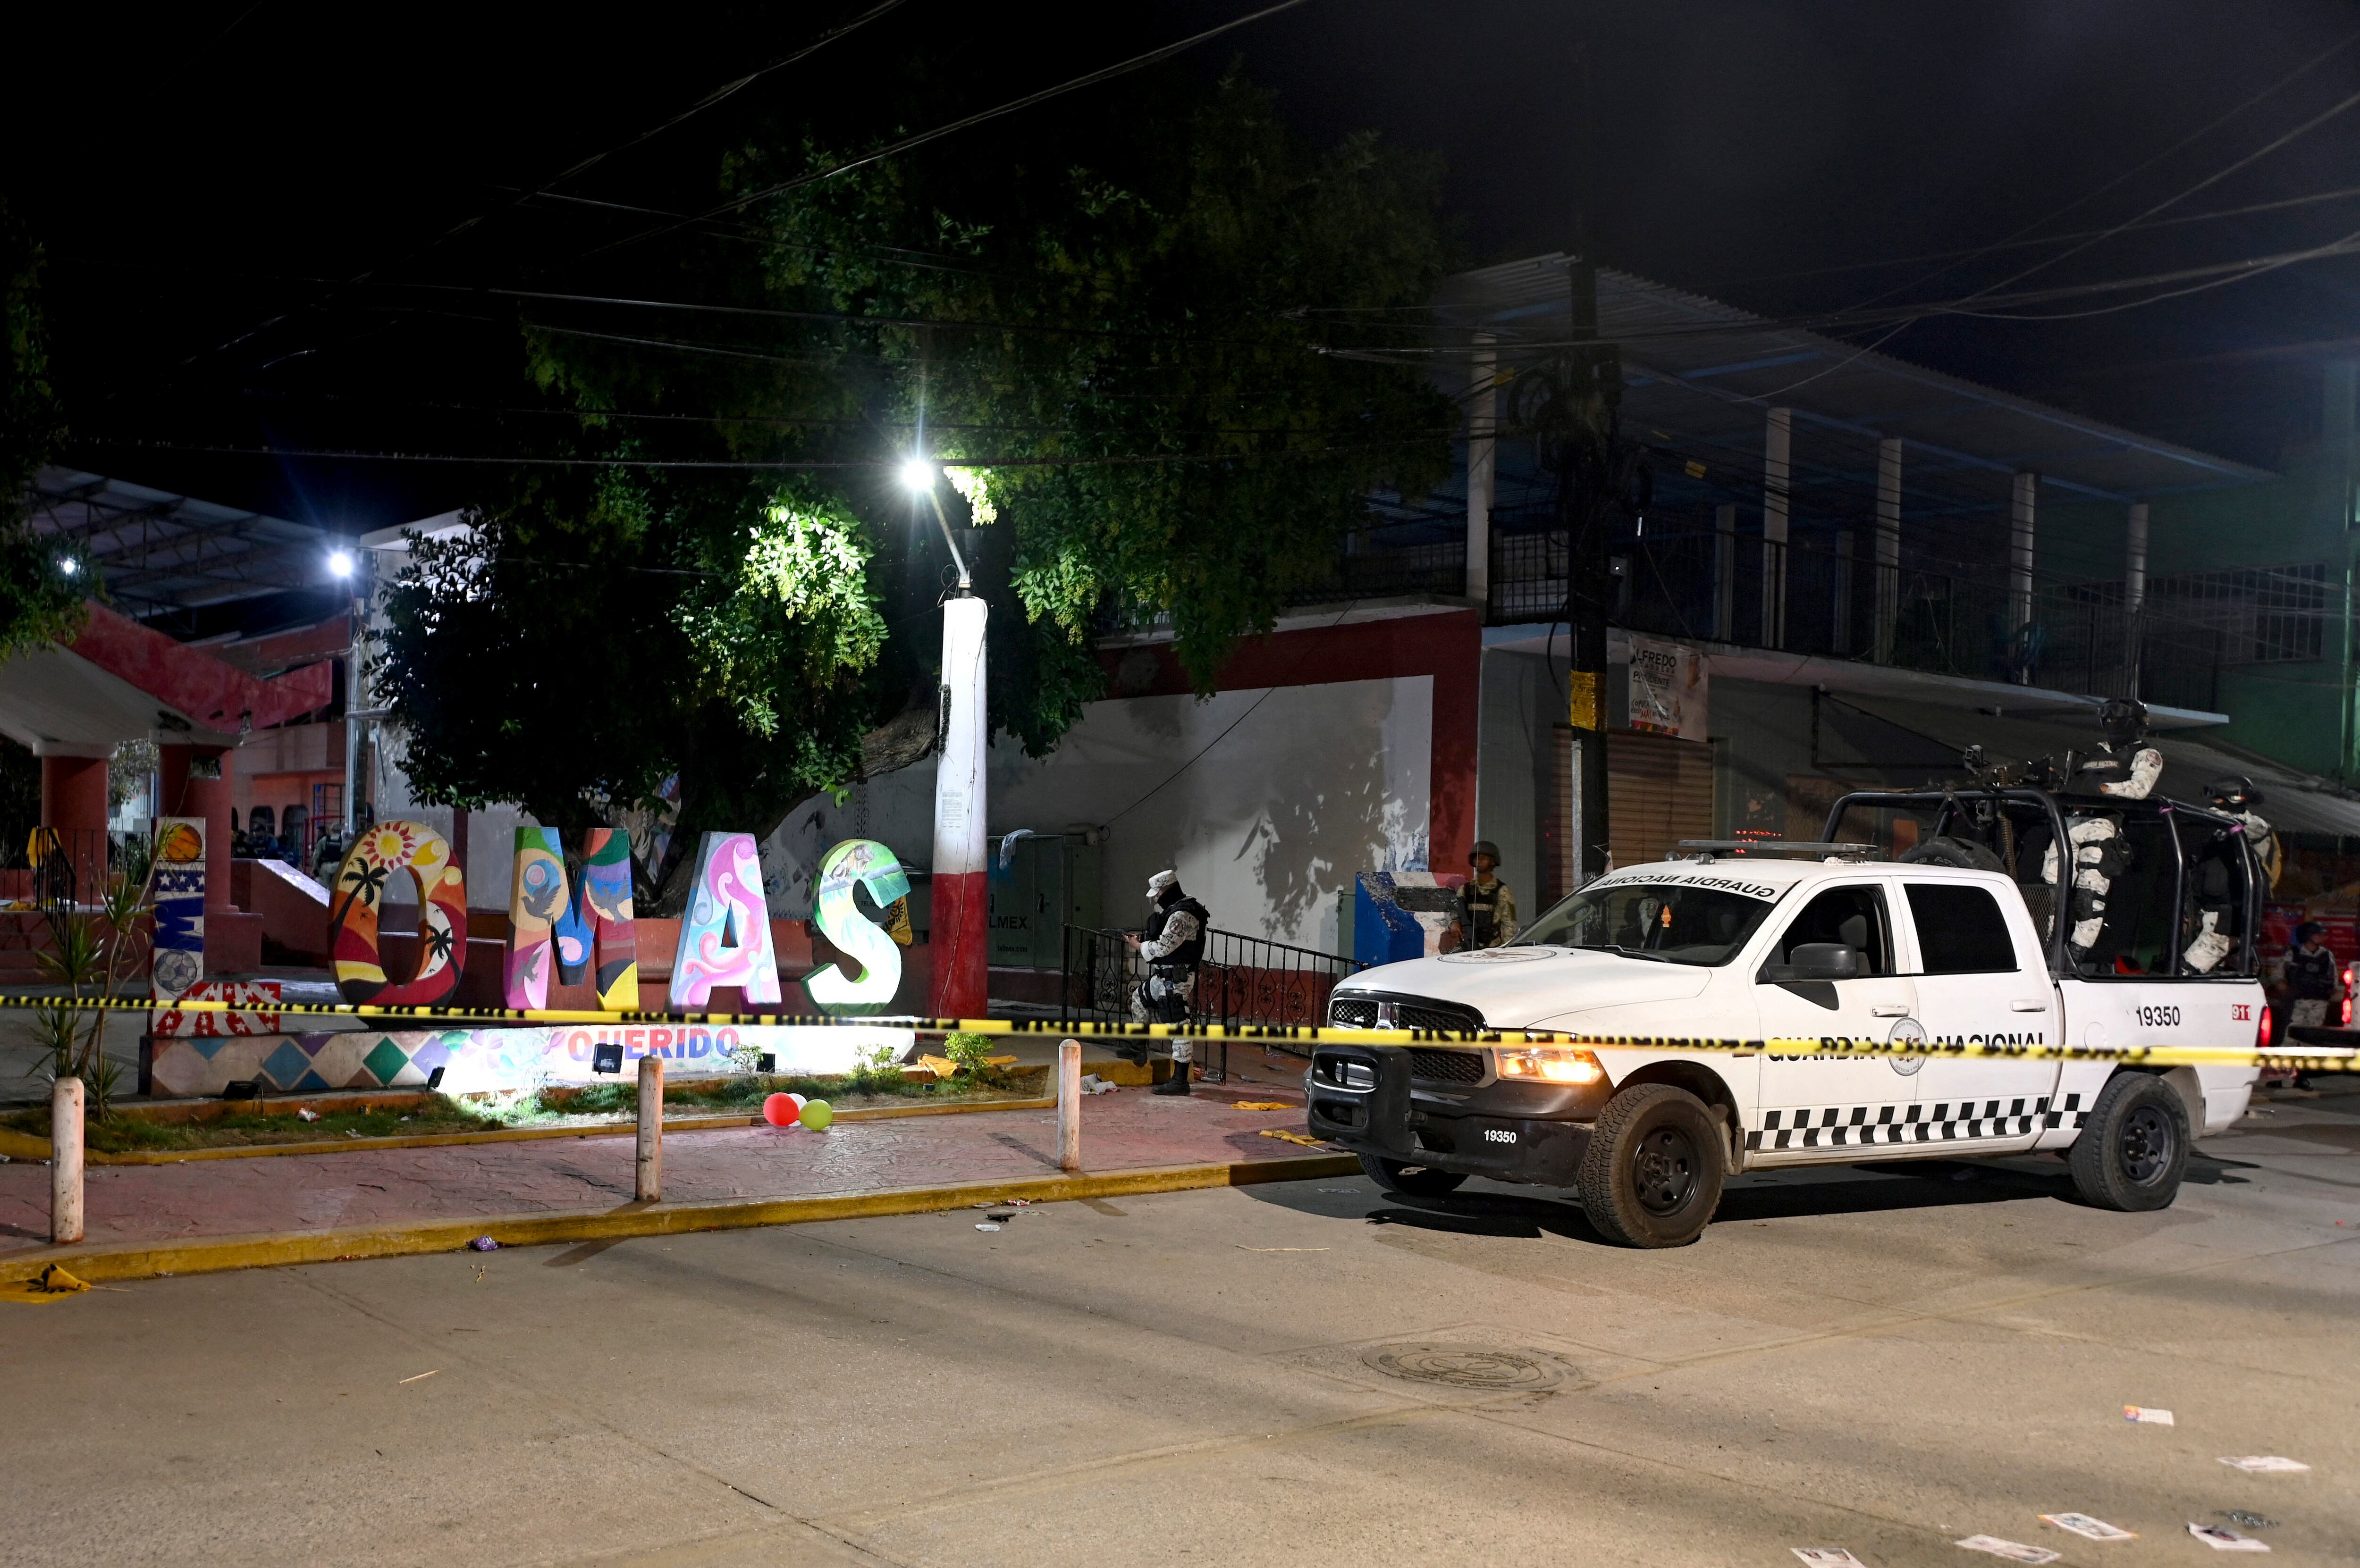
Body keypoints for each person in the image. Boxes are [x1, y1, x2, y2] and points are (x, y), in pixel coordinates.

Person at [1124, 869, 1208, 1096]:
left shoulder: (1182, 915)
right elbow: (1163, 938)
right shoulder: (1175, 910)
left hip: (1176, 979)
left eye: (1157, 894)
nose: (1156, 899)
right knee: (1139, 1000)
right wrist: (1142, 938)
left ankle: (1180, 1082)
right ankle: (1137, 1047)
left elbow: (1163, 947)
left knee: (1179, 1026)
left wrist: (1138, 946)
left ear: (1166, 890)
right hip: (1164, 977)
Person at [1455, 840, 1518, 951]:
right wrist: (1454, 924)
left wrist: (1505, 950)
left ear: (1493, 862)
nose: (1479, 861)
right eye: (1477, 858)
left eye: (1483, 858)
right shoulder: (1464, 890)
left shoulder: (1502, 891)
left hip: (1493, 949)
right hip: (1467, 949)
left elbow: (1510, 924)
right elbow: (1455, 915)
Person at [2283, 921, 2343, 1032]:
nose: (2322, 937)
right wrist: (2286, 989)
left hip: (2319, 1003)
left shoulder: (2326, 955)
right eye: (2318, 934)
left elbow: (2333, 978)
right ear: (2307, 936)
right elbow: (2279, 976)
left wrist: (2330, 992)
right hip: (2298, 1002)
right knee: (2291, 1034)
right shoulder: (2294, 953)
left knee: (2312, 1036)